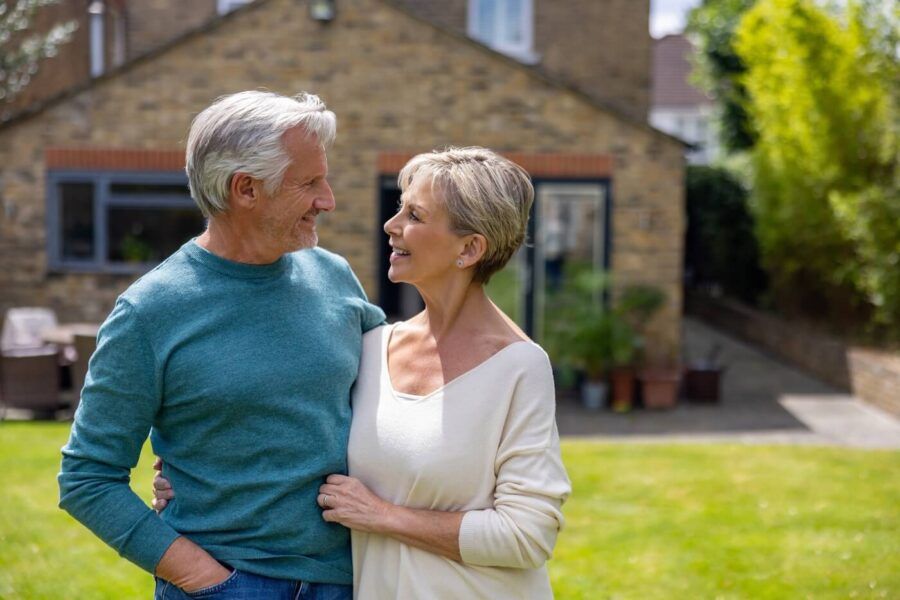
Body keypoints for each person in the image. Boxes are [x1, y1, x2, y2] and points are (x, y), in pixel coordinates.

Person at [155, 147, 572, 599]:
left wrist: (383, 516)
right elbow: (295, 427)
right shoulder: (371, 346)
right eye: (400, 208)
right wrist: (201, 469)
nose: (391, 225)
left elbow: (528, 534)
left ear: (469, 248)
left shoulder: (518, 367)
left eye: (414, 215)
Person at [58, 90, 385, 600]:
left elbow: (399, 395)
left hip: (350, 580)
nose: (328, 200)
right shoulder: (149, 312)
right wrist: (206, 580)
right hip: (228, 581)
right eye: (309, 183)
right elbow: (87, 478)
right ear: (246, 189)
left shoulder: (334, 276)